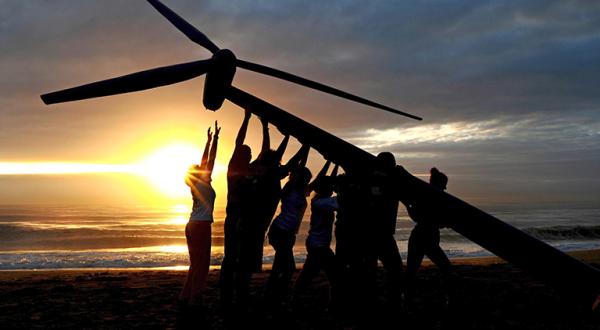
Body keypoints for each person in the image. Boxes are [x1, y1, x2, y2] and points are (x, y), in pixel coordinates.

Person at [234, 115, 290, 307]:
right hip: (251, 226)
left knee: (246, 264)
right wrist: (288, 138)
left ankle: (242, 293)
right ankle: (241, 295)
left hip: (252, 226)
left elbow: (272, 154)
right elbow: (280, 160)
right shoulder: (264, 173)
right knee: (245, 264)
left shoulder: (261, 170)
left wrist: (267, 126)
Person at [180, 121, 220, 310]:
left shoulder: (197, 185)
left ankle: (186, 297)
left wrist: (210, 140)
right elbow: (209, 160)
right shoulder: (202, 182)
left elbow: (206, 161)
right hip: (201, 226)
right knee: (201, 266)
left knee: (195, 264)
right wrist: (213, 141)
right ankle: (196, 299)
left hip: (192, 225)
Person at [264, 144, 311, 308]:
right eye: (306, 179)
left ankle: (272, 294)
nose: (308, 182)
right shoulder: (291, 188)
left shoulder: (302, 190)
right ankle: (279, 294)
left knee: (279, 265)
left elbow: (316, 178)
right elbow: (298, 167)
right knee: (289, 267)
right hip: (279, 231)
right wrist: (306, 148)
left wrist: (330, 165)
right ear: (300, 178)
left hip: (288, 234)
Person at [293, 160, 340, 310]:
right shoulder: (321, 202)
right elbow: (340, 202)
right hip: (318, 245)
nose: (333, 188)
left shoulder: (319, 199)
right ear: (326, 188)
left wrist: (335, 165)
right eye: (331, 187)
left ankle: (296, 298)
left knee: (311, 273)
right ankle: (332, 305)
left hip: (317, 244)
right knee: (329, 275)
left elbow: (327, 182)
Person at [219, 109, 252, 309]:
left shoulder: (249, 170)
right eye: (247, 153)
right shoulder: (233, 169)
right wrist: (246, 118)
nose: (249, 155)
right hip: (233, 219)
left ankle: (237, 293)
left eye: (250, 153)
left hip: (243, 220)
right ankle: (226, 293)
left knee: (240, 259)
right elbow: (238, 143)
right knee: (231, 257)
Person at [404, 167, 453, 302]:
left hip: (420, 237)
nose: (444, 189)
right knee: (446, 268)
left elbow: (416, 216)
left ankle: (407, 297)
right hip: (425, 238)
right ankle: (408, 297)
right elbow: (425, 219)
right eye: (443, 186)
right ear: (439, 184)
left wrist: (408, 206)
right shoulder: (432, 198)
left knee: (412, 270)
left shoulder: (424, 196)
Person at [366, 152, 404, 307]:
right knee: (395, 268)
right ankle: (390, 300)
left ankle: (375, 300)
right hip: (380, 233)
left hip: (373, 233)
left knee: (371, 269)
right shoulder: (385, 181)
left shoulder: (377, 180)